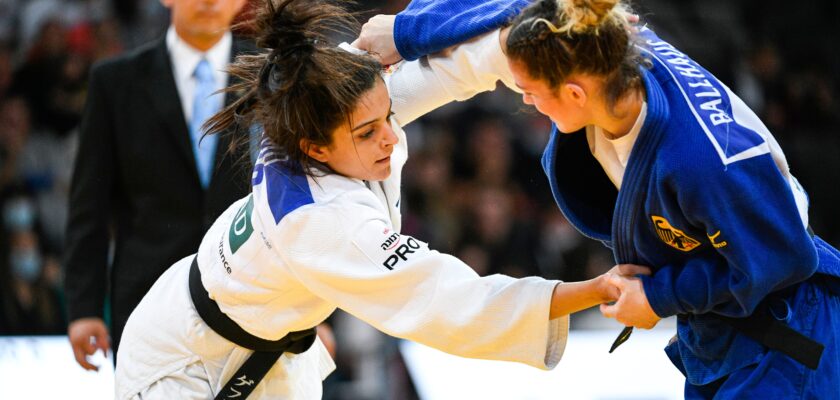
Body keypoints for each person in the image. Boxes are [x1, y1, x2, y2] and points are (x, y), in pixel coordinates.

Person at [113, 0, 648, 398]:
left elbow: (443, 69)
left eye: (385, 117)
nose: (389, 137)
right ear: (316, 149)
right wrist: (593, 288)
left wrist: (543, 58)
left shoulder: (323, 94)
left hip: (267, 344)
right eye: (368, 134)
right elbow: (450, 301)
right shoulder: (323, 221)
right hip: (179, 362)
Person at [354, 0, 840, 398]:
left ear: (573, 93)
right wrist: (407, 32)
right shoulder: (599, 38)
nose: (525, 102)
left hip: (786, 334)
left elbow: (785, 259)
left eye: (531, 92)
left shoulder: (700, 161)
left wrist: (658, 296)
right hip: (723, 324)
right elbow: (522, 8)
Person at [63, 0, 253, 370]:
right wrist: (84, 308)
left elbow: (301, 197)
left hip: (254, 300)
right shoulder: (115, 82)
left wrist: (314, 317)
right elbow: (90, 206)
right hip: (145, 302)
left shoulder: (273, 75)